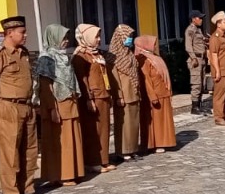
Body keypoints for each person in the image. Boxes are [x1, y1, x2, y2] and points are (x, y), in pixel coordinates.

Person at [0, 16, 40, 194]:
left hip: (26, 106)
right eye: (22, 32)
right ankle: (12, 192)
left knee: (30, 149)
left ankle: (28, 187)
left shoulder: (23, 53)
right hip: (8, 106)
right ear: (9, 33)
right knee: (10, 151)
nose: (26, 35)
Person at [36, 24, 86, 187]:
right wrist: (52, 108)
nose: (65, 41)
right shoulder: (47, 58)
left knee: (72, 137)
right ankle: (61, 174)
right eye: (63, 38)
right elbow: (46, 85)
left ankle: (74, 171)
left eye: (66, 38)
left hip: (69, 101)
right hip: (58, 103)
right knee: (62, 141)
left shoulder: (63, 56)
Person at [71, 24, 115, 174]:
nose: (98, 40)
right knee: (92, 130)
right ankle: (92, 161)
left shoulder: (97, 54)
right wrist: (88, 98)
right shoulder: (81, 56)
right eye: (96, 36)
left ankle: (103, 159)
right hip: (92, 97)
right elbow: (82, 80)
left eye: (98, 36)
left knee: (104, 129)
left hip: (103, 95)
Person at [135, 36, 178, 152]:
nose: (155, 46)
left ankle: (165, 141)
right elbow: (146, 80)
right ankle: (156, 143)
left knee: (163, 120)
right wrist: (152, 96)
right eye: (153, 44)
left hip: (163, 92)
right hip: (154, 94)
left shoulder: (154, 58)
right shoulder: (143, 60)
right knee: (156, 121)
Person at [107, 24, 142, 162]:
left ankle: (133, 149)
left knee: (133, 123)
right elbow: (114, 79)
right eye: (127, 37)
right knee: (124, 124)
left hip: (134, 92)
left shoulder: (130, 54)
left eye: (131, 37)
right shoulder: (113, 57)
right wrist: (119, 96)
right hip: (123, 95)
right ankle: (123, 150)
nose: (129, 39)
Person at [208, 11, 225, 126]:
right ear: (218, 24)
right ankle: (219, 117)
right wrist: (217, 71)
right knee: (220, 95)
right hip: (221, 71)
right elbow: (213, 54)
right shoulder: (215, 38)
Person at [184, 10, 209, 114]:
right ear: (194, 19)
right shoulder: (190, 30)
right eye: (199, 18)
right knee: (196, 84)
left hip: (202, 58)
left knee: (202, 83)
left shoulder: (198, 30)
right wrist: (193, 58)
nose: (201, 20)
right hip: (196, 60)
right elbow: (188, 46)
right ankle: (194, 107)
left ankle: (199, 105)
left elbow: (200, 43)